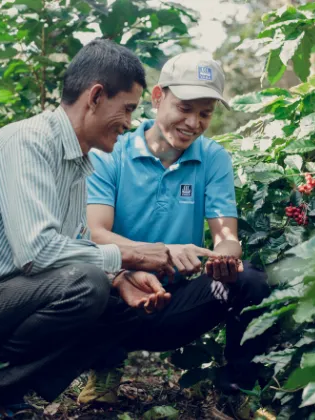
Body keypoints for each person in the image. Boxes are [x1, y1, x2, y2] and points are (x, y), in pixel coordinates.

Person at [0, 39, 176, 417]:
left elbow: (72, 247)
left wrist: (121, 278)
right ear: (96, 96)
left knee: (123, 305)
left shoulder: (77, 162)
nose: (129, 123)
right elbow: (37, 254)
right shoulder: (28, 142)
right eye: (127, 108)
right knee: (85, 284)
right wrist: (131, 253)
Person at [79, 51, 272, 415]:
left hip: (175, 299)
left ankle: (237, 387)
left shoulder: (213, 158)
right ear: (157, 97)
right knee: (88, 275)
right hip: (117, 293)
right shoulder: (112, 151)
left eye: (205, 113)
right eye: (185, 108)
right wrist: (160, 251)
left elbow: (225, 235)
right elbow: (95, 233)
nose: (193, 122)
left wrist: (227, 255)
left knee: (252, 282)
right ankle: (105, 367)